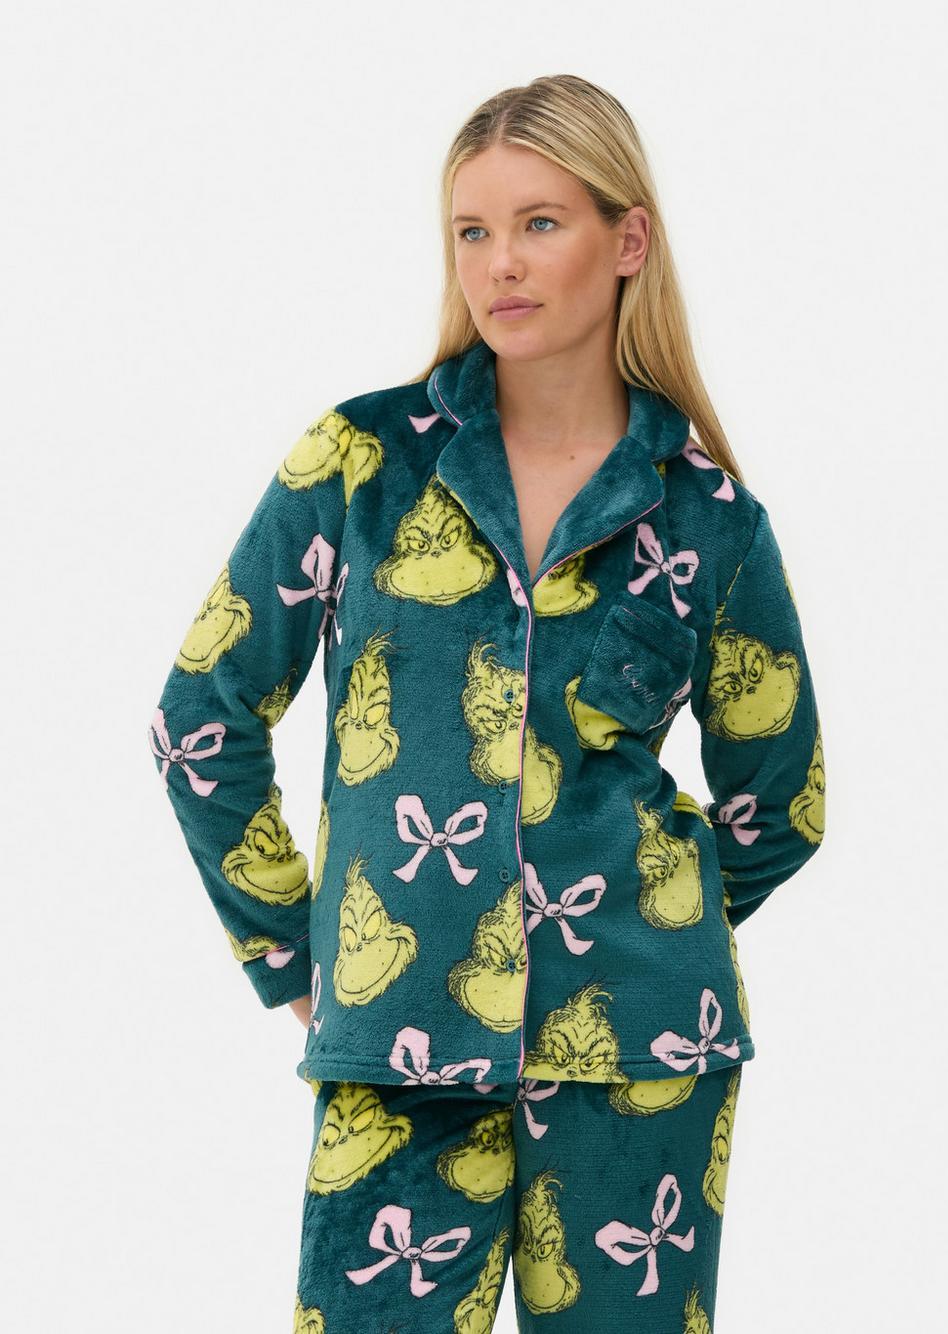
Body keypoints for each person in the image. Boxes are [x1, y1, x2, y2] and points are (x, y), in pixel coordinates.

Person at [148, 73, 826, 1333]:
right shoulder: (360, 461)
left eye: (539, 223)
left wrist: (641, 919)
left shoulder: (709, 516)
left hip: (641, 1058)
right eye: (472, 230)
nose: (499, 263)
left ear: (627, 241)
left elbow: (780, 800)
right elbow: (201, 718)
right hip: (396, 1045)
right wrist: (290, 949)